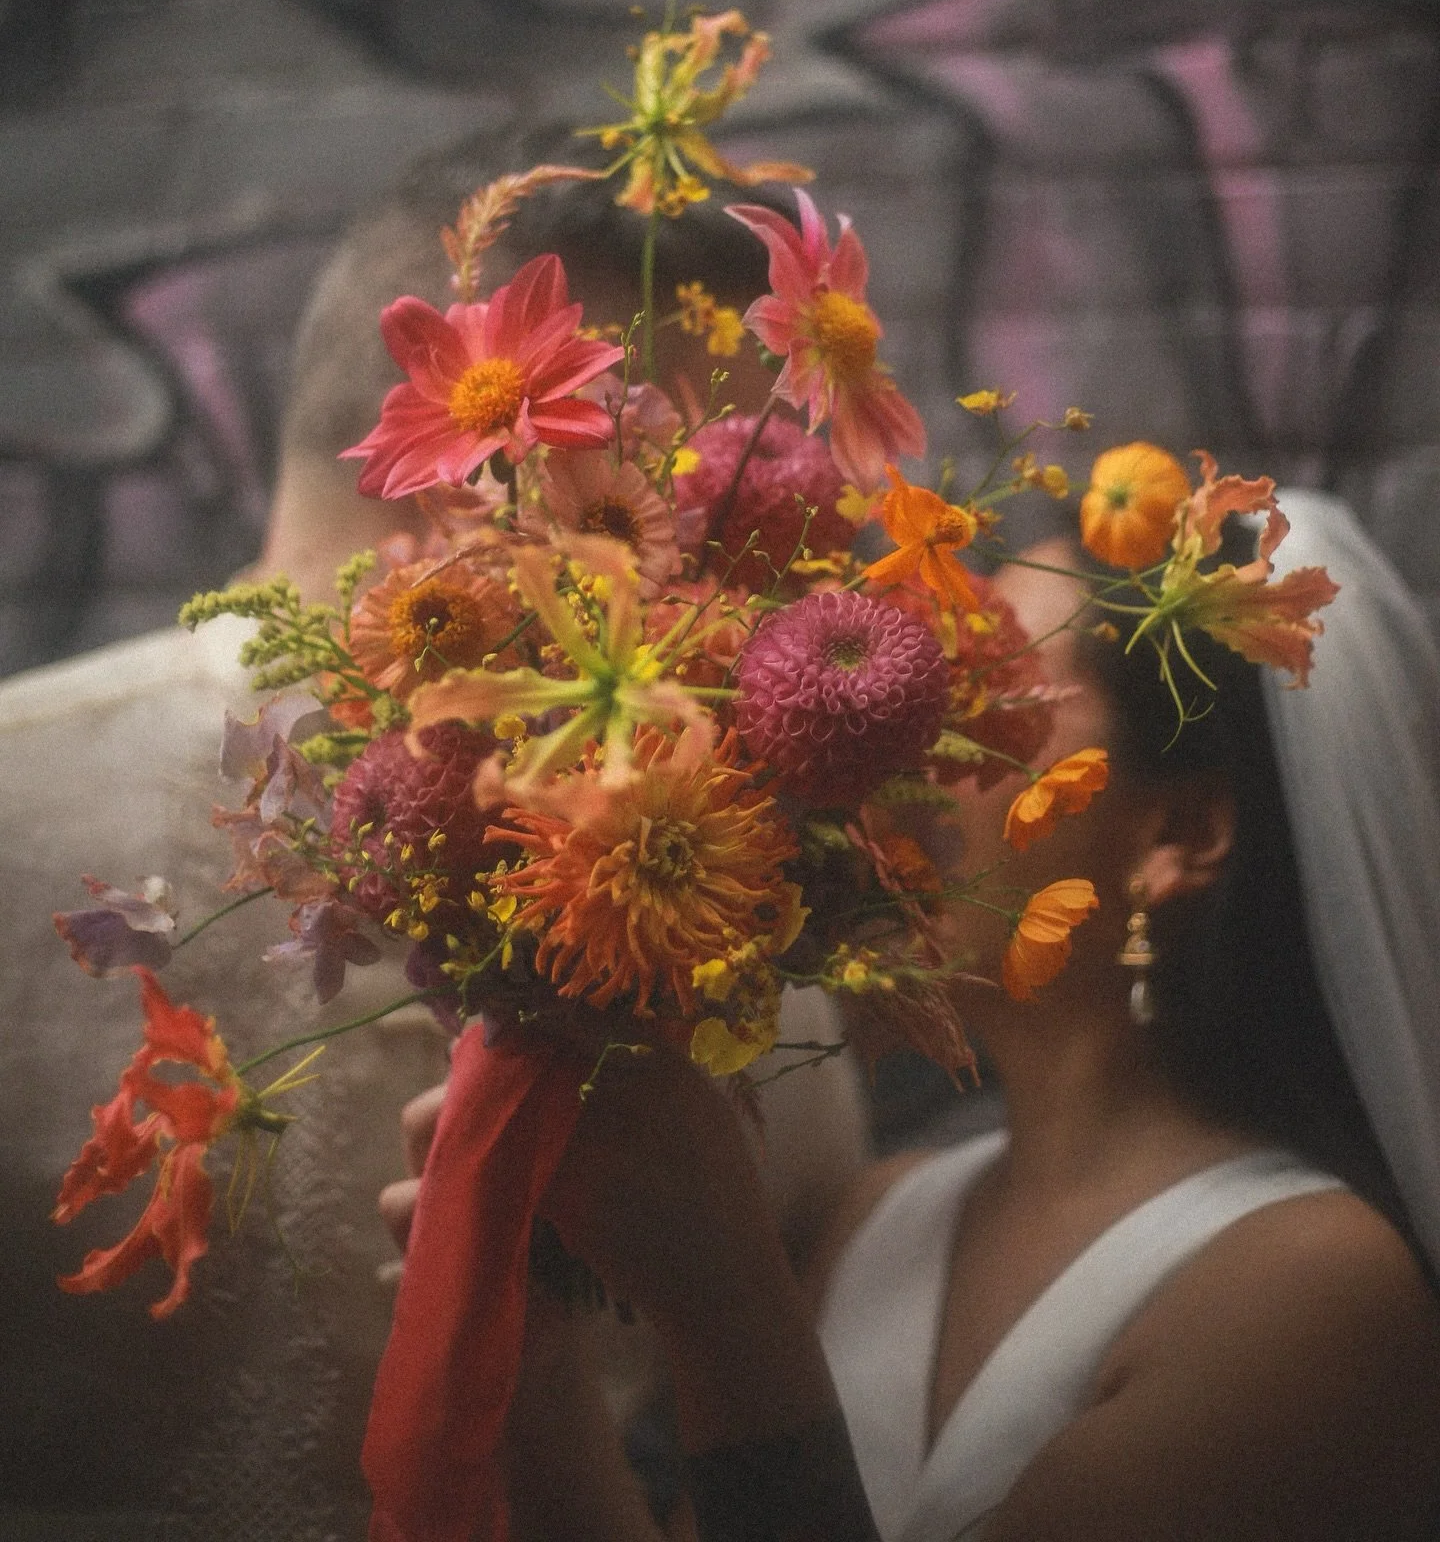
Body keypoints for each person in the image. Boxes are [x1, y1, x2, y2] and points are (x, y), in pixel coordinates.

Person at [0, 127, 863, 1541]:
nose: (727, 534)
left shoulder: (747, 921)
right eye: (697, 469)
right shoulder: (760, 947)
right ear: (497, 440)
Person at [387, 490, 1440, 1540]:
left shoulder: (1315, 1288)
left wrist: (727, 1306)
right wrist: (529, 1359)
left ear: (1178, 835)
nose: (905, 760)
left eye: (994, 698)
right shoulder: (879, 1218)